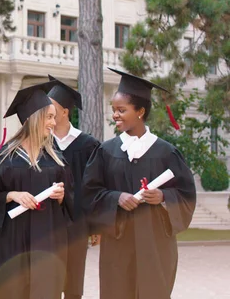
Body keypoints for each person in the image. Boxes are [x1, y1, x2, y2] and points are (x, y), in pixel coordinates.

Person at [82, 68, 196, 299]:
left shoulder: (166, 152)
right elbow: (89, 193)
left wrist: (164, 197)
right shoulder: (105, 151)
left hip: (155, 247)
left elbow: (186, 195)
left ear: (141, 111)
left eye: (122, 110)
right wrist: (116, 198)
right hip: (117, 246)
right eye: (114, 110)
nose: (115, 115)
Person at [0, 82, 73, 299]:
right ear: (32, 118)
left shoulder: (57, 160)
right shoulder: (1, 158)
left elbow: (71, 204)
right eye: (49, 117)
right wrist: (12, 195)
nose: (53, 122)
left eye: (54, 116)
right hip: (13, 242)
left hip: (48, 242)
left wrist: (61, 197)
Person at [47, 75, 100, 299]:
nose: (47, 110)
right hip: (46, 222)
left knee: (73, 281)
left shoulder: (88, 145)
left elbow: (95, 187)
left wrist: (96, 225)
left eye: (52, 107)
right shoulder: (41, 142)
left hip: (77, 223)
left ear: (65, 111)